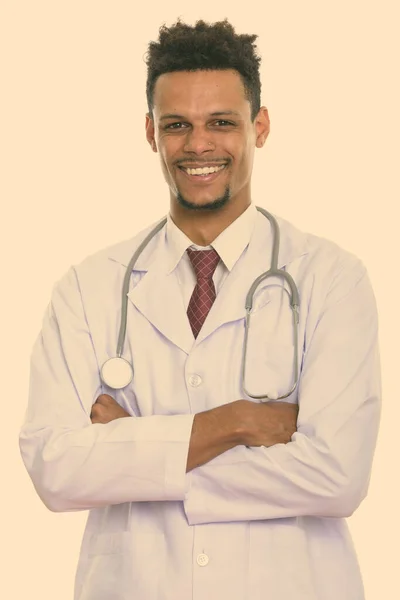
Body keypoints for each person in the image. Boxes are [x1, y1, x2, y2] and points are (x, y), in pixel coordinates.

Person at [19, 18, 381, 600]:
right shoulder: (88, 288)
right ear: (149, 132)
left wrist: (138, 447)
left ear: (259, 127)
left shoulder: (330, 278)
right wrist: (231, 423)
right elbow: (56, 469)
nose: (199, 145)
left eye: (221, 123)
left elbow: (337, 477)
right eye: (177, 125)